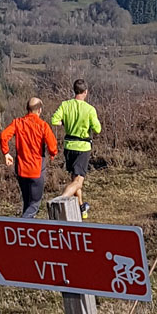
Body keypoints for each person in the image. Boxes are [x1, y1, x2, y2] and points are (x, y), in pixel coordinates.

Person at [51, 79, 101, 219]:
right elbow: (98, 129)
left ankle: (81, 208)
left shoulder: (65, 105)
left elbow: (54, 120)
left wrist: (65, 122)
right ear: (86, 92)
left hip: (68, 147)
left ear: (74, 91)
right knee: (78, 182)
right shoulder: (90, 109)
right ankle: (60, 200)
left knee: (75, 179)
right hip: (83, 147)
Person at [0, 97, 58, 218]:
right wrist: (53, 154)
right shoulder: (43, 125)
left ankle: (25, 232)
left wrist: (6, 153)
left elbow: (4, 136)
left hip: (21, 169)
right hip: (37, 169)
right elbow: (52, 145)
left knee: (27, 202)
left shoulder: (17, 123)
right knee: (35, 204)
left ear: (27, 109)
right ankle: (19, 225)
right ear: (39, 110)